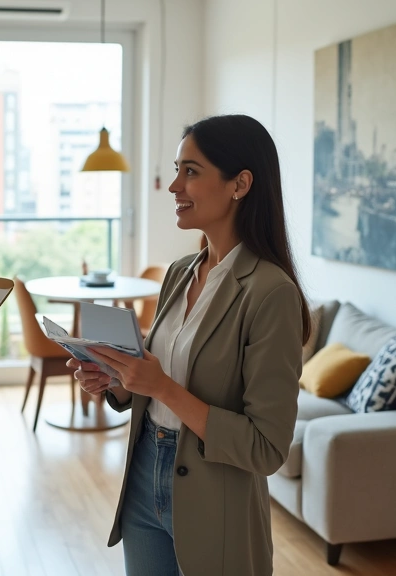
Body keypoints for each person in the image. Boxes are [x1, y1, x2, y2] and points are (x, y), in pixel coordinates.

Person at [71, 114, 310, 576]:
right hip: (143, 476)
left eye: (191, 171)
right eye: (177, 169)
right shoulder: (180, 272)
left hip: (216, 496)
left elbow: (267, 447)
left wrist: (161, 387)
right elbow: (160, 379)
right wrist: (115, 380)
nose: (174, 185)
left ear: (240, 184)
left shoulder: (270, 293)